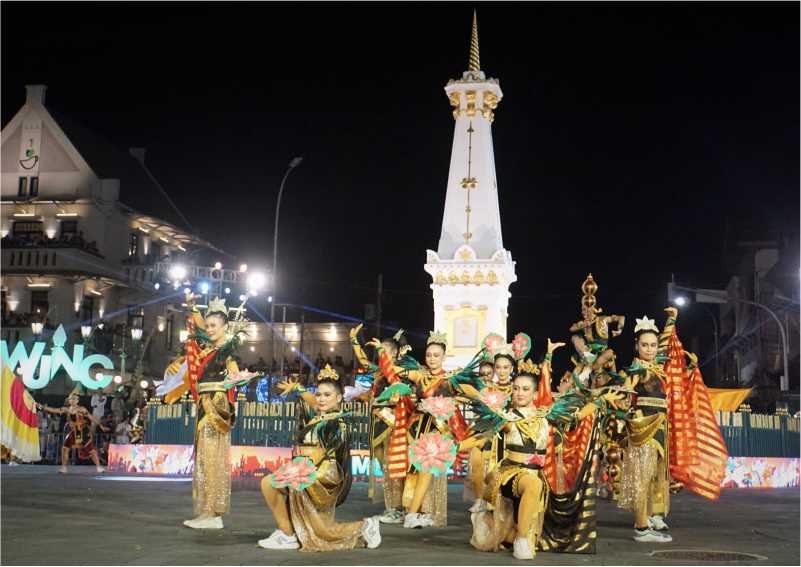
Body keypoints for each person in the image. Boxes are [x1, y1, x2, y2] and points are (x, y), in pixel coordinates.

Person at [463, 342, 620, 559]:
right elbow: (480, 433)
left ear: (535, 392)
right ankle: (520, 541)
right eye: (516, 388)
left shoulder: (545, 416)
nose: (519, 393)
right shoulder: (506, 418)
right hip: (509, 475)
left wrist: (602, 400)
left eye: (525, 389)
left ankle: (516, 535)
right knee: (533, 484)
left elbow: (576, 416)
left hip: (536, 476)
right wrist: (453, 448)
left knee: (530, 525)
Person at [160, 293, 260, 530]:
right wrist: (193, 307)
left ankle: (213, 513)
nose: (210, 329)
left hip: (216, 408)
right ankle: (206, 511)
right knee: (204, 459)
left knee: (212, 458)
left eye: (214, 325)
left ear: (225, 326)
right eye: (208, 325)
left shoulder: (227, 351)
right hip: (204, 407)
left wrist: (237, 380)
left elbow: (235, 376)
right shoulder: (208, 352)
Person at [259, 364, 381, 551]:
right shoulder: (317, 417)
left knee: (322, 532)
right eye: (319, 394)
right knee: (268, 483)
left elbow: (329, 456)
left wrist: (301, 472)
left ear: (339, 397)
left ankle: (364, 527)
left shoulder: (339, 422)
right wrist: (299, 388)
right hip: (306, 468)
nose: (321, 399)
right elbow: (311, 403)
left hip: (324, 474)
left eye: (327, 395)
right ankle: (288, 533)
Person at [369, 331, 479, 529]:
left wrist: (460, 399)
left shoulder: (451, 378)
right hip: (416, 427)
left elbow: (471, 393)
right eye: (429, 355)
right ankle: (412, 510)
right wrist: (382, 352)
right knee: (412, 470)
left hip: (437, 430)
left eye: (436, 355)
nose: (432, 359)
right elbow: (393, 372)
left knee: (430, 471)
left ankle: (426, 512)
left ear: (444, 357)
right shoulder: (420, 374)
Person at [348, 324, 411, 525]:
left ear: (394, 353)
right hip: (379, 425)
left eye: (384, 351)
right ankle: (392, 506)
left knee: (396, 467)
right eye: (379, 350)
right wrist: (354, 341)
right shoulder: (379, 373)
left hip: (395, 425)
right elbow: (364, 361)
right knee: (386, 468)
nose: (380, 353)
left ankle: (400, 507)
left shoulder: (401, 371)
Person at [39, 391, 109, 473]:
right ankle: (64, 468)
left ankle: (99, 467)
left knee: (91, 450)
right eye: (71, 399)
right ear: (69, 400)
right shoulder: (66, 409)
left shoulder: (81, 409)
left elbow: (91, 417)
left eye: (74, 399)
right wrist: (43, 407)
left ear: (77, 400)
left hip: (83, 431)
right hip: (73, 432)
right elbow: (55, 410)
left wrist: (101, 425)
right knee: (65, 448)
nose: (72, 400)